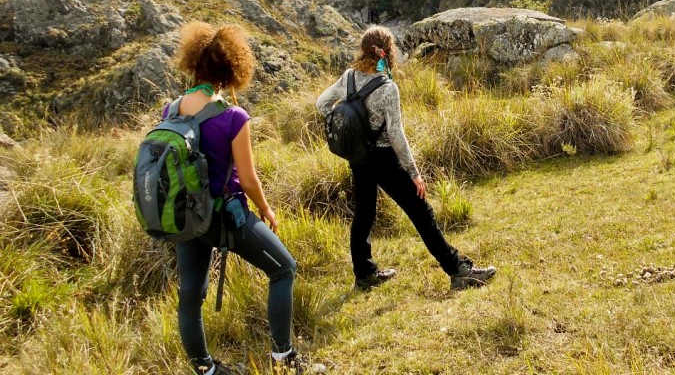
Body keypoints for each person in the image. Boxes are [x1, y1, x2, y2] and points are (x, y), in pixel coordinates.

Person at [169, 22, 306, 374]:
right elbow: (247, 178)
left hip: (185, 217)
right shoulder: (233, 117)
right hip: (222, 219)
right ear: (232, 68)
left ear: (194, 63)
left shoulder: (173, 110)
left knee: (190, 297)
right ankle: (283, 357)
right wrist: (265, 209)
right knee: (283, 270)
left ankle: (206, 368)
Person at [316, 25, 496, 292]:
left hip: (359, 159)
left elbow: (321, 104)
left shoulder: (349, 78)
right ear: (387, 52)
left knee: (364, 215)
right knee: (422, 212)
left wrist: (350, 124)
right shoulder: (388, 88)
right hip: (385, 160)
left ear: (364, 50)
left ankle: (364, 276)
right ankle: (459, 270)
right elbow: (396, 136)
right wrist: (414, 173)